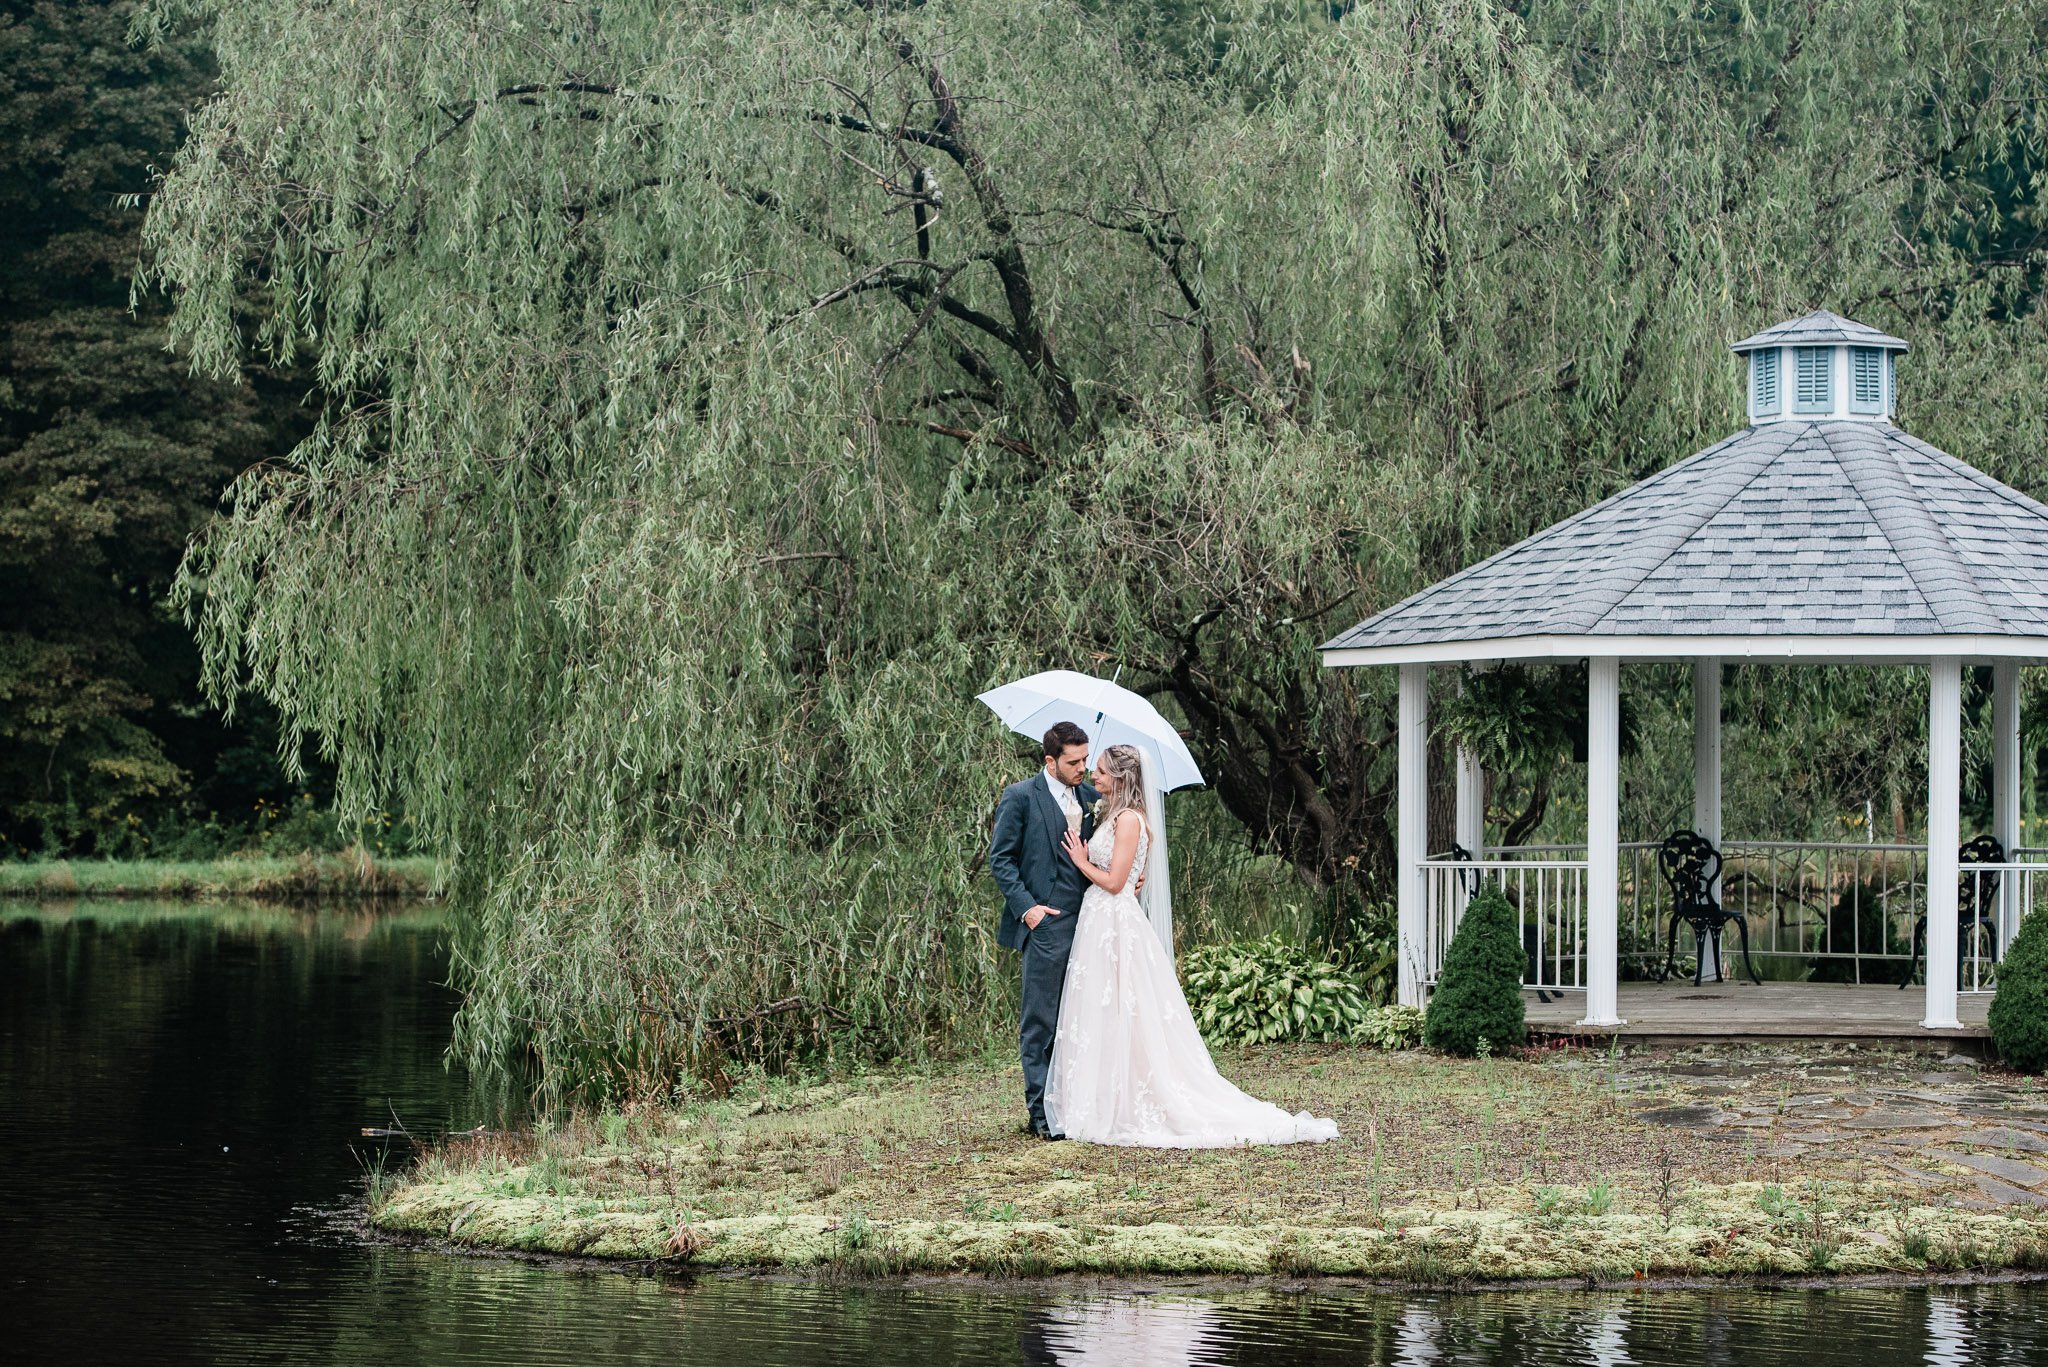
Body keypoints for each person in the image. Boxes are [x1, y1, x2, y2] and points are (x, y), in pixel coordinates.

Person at [1044, 744, 1339, 1147]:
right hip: (1100, 922)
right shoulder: (1111, 814)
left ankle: (1131, 1100)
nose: (1093, 777)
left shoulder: (1129, 819)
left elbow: (1115, 882)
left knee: (1126, 1009)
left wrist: (1081, 860)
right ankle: (1106, 1097)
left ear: (1122, 777)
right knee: (1105, 1009)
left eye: (1100, 771)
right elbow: (1130, 874)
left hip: (1114, 922)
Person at [987, 720, 1098, 1140]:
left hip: (1089, 922)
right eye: (1074, 761)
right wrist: (1028, 910)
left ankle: (1078, 1105)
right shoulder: (1019, 797)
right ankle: (1042, 1114)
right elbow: (1001, 860)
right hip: (1046, 924)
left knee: (1083, 1018)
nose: (1083, 768)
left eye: (1086, 759)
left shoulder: (1091, 797)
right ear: (1049, 761)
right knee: (1041, 1020)